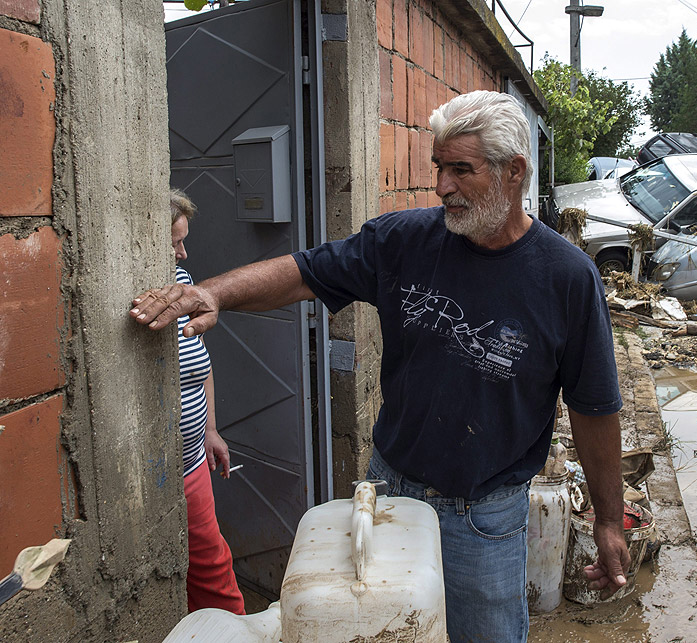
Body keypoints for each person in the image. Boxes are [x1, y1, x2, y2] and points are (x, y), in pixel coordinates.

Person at [134, 92, 628, 640]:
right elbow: (306, 271)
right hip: (387, 495)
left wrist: (608, 520)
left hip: (484, 518)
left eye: (460, 169)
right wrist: (214, 293)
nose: (442, 186)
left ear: (515, 172)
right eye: (439, 168)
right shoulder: (405, 242)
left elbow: (594, 408)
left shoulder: (567, 278)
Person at [170, 189, 246, 615]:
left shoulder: (182, 285)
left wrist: (211, 430)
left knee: (210, 564)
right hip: (169, 472)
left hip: (193, 458)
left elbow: (202, 363)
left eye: (184, 240)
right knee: (202, 571)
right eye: (174, 243)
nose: (183, 254)